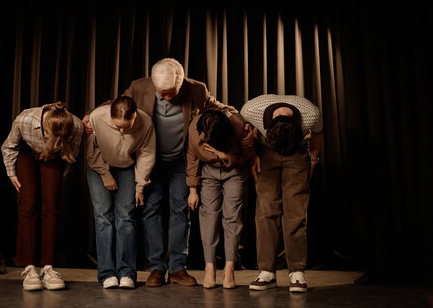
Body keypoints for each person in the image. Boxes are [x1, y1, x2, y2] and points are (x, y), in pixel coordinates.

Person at [82, 58, 254, 287]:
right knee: (150, 211)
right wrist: (90, 114)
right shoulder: (139, 86)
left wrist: (243, 122)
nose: (165, 97)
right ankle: (156, 268)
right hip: (149, 160)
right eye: (161, 93)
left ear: (181, 83)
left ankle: (177, 267)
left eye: (170, 93)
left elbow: (219, 107)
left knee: (181, 211)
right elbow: (116, 103)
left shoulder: (196, 89)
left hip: (180, 160)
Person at [240, 94, 324, 293]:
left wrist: (313, 160)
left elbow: (318, 134)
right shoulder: (251, 110)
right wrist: (252, 158)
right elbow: (243, 133)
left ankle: (296, 271)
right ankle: (267, 272)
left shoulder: (311, 113)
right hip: (266, 152)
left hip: (298, 151)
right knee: (266, 209)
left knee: (295, 211)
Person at [1, 101, 84, 291]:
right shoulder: (25, 119)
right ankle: (29, 267)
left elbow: (73, 153)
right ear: (44, 127)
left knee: (51, 207)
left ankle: (48, 268)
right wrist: (11, 173)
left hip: (55, 157)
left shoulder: (76, 126)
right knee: (28, 205)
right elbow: (9, 146)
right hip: (26, 154)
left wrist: (55, 178)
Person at [85, 96, 156, 289]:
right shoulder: (97, 117)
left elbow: (147, 154)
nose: (123, 131)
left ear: (136, 117)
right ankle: (107, 273)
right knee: (103, 217)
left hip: (127, 167)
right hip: (99, 166)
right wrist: (105, 174)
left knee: (126, 216)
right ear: (110, 115)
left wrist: (140, 185)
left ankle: (126, 273)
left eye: (127, 126)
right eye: (118, 127)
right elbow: (90, 151)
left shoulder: (145, 122)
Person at [186, 109, 256, 289]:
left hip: (235, 172)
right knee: (209, 217)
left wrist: (228, 156)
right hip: (208, 173)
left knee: (232, 217)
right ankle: (210, 268)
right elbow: (192, 158)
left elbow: (248, 155)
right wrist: (192, 189)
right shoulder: (194, 127)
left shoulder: (239, 126)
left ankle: (229, 268)